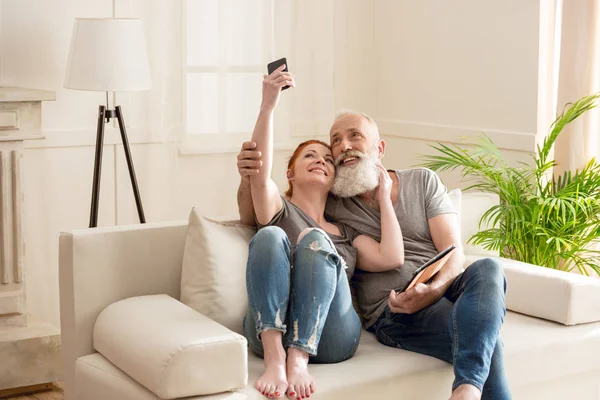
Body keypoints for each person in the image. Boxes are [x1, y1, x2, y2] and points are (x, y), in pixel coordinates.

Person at [237, 110, 511, 400]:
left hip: (441, 286)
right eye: (336, 142)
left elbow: (453, 252)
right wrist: (248, 176)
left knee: (489, 268)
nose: (343, 147)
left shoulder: (422, 181)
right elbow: (259, 210)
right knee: (486, 342)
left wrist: (432, 289)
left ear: (379, 149)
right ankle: (467, 389)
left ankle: (466, 390)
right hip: (394, 311)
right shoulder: (333, 200)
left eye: (355, 136)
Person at [243, 65, 406, 400]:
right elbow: (258, 173)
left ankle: (299, 359)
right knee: (271, 237)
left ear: (334, 178)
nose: (321, 160)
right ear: (290, 172)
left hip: (331, 337)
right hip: (268, 331)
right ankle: (276, 358)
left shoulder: (344, 231)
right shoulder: (278, 210)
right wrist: (268, 105)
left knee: (317, 240)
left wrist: (384, 195)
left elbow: (392, 257)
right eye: (310, 156)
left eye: (327, 160)